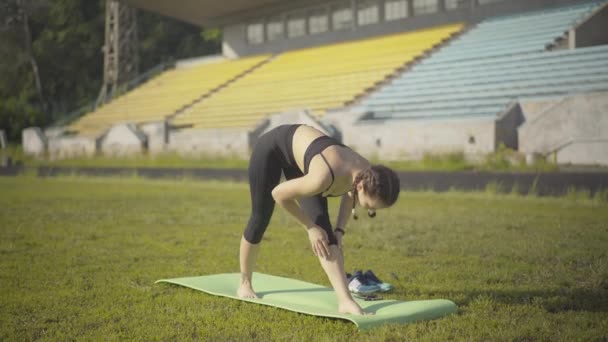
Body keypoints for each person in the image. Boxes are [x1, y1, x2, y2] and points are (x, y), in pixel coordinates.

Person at [237, 124, 400, 315]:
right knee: (260, 218)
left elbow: (350, 193)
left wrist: (339, 230)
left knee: (327, 237)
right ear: (363, 188)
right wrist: (310, 227)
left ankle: (345, 301)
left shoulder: (366, 173)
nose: (370, 211)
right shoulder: (322, 177)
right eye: (371, 207)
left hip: (307, 161)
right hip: (272, 150)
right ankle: (244, 283)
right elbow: (278, 194)